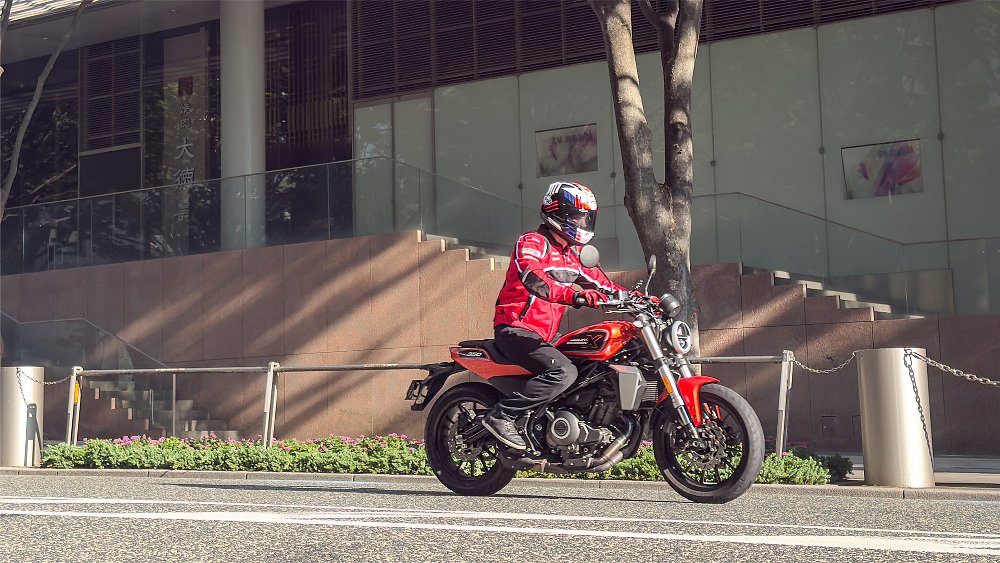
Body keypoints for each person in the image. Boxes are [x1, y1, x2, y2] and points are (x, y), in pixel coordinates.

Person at [482, 181, 629, 450]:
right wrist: (573, 295)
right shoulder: (531, 243)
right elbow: (532, 277)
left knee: (590, 369)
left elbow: (605, 286)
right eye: (577, 215)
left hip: (546, 338)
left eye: (586, 217)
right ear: (557, 212)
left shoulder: (572, 258)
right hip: (516, 330)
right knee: (563, 372)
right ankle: (503, 415)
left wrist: (644, 300)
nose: (583, 222)